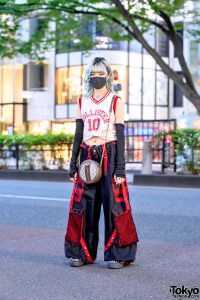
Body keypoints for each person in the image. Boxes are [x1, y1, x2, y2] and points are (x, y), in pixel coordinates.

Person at [64, 57, 138, 269]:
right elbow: (78, 134)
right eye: (93, 74)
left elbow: (121, 136)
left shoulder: (116, 100)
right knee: (83, 204)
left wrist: (120, 168)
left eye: (100, 73)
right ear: (88, 76)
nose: (96, 77)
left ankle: (118, 254)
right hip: (87, 154)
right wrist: (72, 164)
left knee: (114, 205)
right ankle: (81, 252)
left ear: (108, 75)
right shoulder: (82, 101)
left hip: (109, 152)